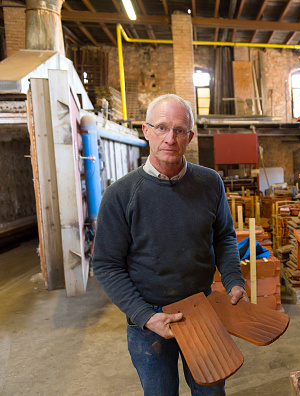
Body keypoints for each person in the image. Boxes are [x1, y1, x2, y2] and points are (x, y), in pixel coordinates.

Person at [92, 94, 247, 396]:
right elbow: (107, 265)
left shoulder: (210, 182)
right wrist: (145, 316)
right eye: (161, 128)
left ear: (190, 136)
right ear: (145, 130)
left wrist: (233, 280)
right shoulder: (120, 195)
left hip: (201, 309)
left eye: (179, 130)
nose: (170, 139)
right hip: (148, 318)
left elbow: (224, 236)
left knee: (211, 392)